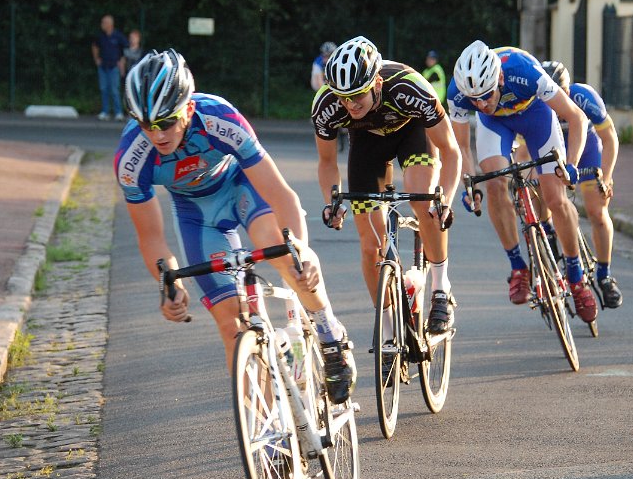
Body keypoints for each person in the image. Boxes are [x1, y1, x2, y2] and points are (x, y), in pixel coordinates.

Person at [114, 49, 356, 404]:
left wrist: (302, 251)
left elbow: (281, 195)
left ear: (188, 109)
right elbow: (151, 238)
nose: (157, 134)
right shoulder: (131, 159)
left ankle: (328, 333)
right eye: (146, 124)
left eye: (166, 122)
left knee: (283, 255)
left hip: (241, 187)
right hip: (195, 213)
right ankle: (267, 428)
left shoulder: (219, 117)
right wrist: (169, 285)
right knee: (232, 325)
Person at [312, 36, 462, 340]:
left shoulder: (410, 87)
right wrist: (332, 201)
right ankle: (390, 329)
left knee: (424, 201)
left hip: (413, 132)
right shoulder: (326, 104)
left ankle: (440, 289)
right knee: (371, 247)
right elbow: (327, 163)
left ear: (377, 84)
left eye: (357, 95)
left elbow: (451, 151)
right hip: (367, 143)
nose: (350, 104)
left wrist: (444, 199)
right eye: (343, 97)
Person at [449, 40, 598, 323]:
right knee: (494, 183)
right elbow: (462, 148)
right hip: (496, 126)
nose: (481, 104)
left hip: (535, 116)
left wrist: (571, 165)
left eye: (486, 95)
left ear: (499, 79)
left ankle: (576, 278)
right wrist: (469, 185)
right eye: (474, 100)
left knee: (555, 198)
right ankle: (518, 267)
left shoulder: (524, 71)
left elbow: (575, 117)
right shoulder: (458, 93)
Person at [539, 60, 622, 307]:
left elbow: (610, 139)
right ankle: (549, 233)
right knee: (540, 192)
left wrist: (606, 177)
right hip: (552, 148)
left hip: (586, 149)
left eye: (561, 93)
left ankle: (605, 275)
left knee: (597, 210)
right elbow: (524, 150)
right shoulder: (534, 102)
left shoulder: (583, 96)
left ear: (567, 89)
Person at [91, 14, 128, 121]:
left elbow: (126, 48)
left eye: (104, 22)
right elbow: (95, 46)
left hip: (114, 66)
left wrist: (122, 61)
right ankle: (105, 112)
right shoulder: (100, 36)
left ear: (110, 24)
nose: (102, 25)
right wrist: (96, 59)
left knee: (114, 90)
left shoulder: (118, 36)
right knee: (104, 89)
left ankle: (118, 112)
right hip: (103, 66)